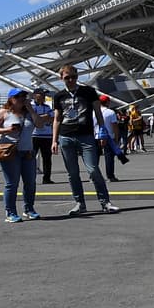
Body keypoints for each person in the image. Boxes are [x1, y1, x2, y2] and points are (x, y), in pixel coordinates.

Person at [51, 64, 118, 215]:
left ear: (77, 76)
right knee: (72, 173)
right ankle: (79, 203)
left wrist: (102, 131)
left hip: (86, 136)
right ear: (61, 78)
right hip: (66, 137)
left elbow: (98, 113)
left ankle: (105, 202)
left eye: (73, 77)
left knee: (93, 169)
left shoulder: (88, 92)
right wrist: (54, 140)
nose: (71, 80)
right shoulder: (59, 96)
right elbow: (57, 119)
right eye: (67, 78)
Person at [0, 88, 45, 222]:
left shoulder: (29, 113)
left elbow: (40, 125)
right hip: (11, 152)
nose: (22, 98)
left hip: (28, 151)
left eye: (24, 96)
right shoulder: (4, 113)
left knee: (30, 183)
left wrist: (31, 109)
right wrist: (7, 130)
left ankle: (29, 209)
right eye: (18, 96)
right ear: (11, 99)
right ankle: (10, 212)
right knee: (12, 183)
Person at [93, 95, 126, 181]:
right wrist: (116, 138)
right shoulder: (110, 112)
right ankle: (110, 176)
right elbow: (114, 126)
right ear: (107, 102)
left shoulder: (93, 112)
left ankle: (93, 176)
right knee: (109, 158)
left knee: (95, 158)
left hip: (96, 136)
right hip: (109, 137)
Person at [31, 89, 55, 184]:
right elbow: (33, 118)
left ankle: (47, 178)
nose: (43, 96)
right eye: (41, 94)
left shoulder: (47, 106)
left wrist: (41, 117)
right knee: (31, 158)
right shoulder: (31, 106)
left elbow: (52, 117)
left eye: (44, 95)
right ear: (35, 95)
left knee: (47, 158)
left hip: (47, 136)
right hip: (34, 135)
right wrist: (45, 117)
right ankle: (30, 178)